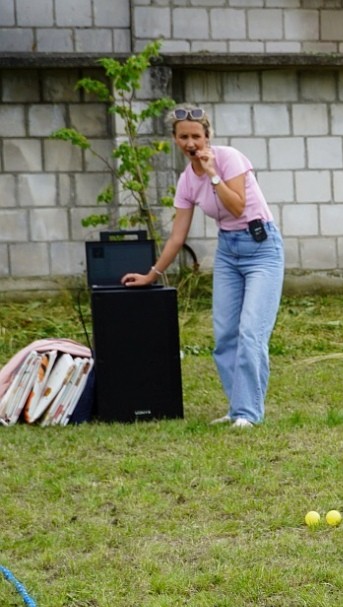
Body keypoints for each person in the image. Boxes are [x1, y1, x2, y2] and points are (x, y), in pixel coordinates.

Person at [121, 104, 284, 428]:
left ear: (207, 137)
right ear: (175, 139)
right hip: (228, 252)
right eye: (184, 137)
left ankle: (249, 414)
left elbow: (237, 207)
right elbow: (177, 236)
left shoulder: (229, 158)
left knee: (251, 332)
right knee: (225, 336)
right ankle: (239, 408)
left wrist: (212, 174)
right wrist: (151, 275)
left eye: (196, 135)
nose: (190, 142)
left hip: (262, 249)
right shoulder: (185, 181)